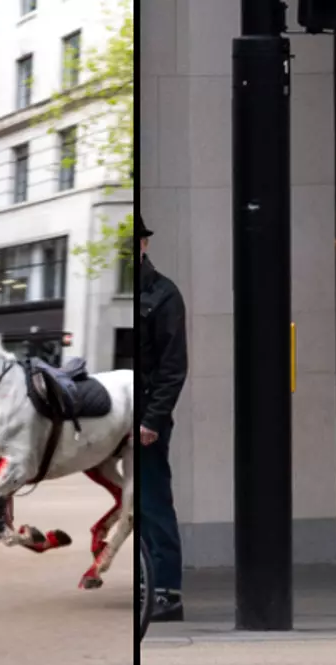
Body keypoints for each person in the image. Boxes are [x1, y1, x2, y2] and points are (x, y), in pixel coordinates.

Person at [138, 213, 188, 622]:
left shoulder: (164, 294)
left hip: (146, 417)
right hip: (121, 411)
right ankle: (144, 584)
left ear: (144, 245)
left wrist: (153, 421)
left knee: (153, 503)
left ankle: (167, 592)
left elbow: (173, 367)